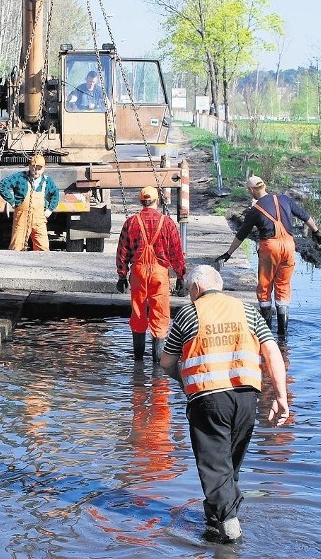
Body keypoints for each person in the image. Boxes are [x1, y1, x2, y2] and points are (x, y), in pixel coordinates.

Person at [161, 265, 289, 543]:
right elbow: (271, 351)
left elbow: (166, 361)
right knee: (229, 466)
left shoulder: (188, 313)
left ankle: (230, 529)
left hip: (207, 397)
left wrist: (184, 382)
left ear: (195, 288)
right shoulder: (246, 310)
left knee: (214, 465)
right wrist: (281, 396)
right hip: (246, 398)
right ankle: (213, 521)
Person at [216, 175, 321, 336]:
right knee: (283, 286)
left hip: (270, 247)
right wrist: (316, 232)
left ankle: (266, 331)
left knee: (265, 286)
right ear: (264, 186)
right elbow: (305, 215)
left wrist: (228, 253)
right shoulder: (284, 199)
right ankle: (283, 332)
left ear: (251, 190)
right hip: (289, 246)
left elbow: (242, 234)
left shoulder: (255, 210)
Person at [116, 186, 186, 362]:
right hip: (159, 273)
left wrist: (122, 275)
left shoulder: (131, 222)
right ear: (158, 201)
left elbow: (122, 251)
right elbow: (176, 252)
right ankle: (158, 366)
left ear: (141, 202)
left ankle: (137, 362)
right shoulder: (168, 223)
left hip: (138, 273)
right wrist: (180, 276)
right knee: (160, 316)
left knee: (138, 313)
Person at [0, 154, 60, 251]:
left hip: (39, 219)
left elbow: (55, 194)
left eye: (39, 168)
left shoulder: (47, 181)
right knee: (16, 247)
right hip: (22, 218)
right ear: (30, 166)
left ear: (44, 169)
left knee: (43, 248)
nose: (36, 171)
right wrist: (12, 202)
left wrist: (50, 209)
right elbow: (1, 185)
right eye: (34, 168)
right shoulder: (20, 177)